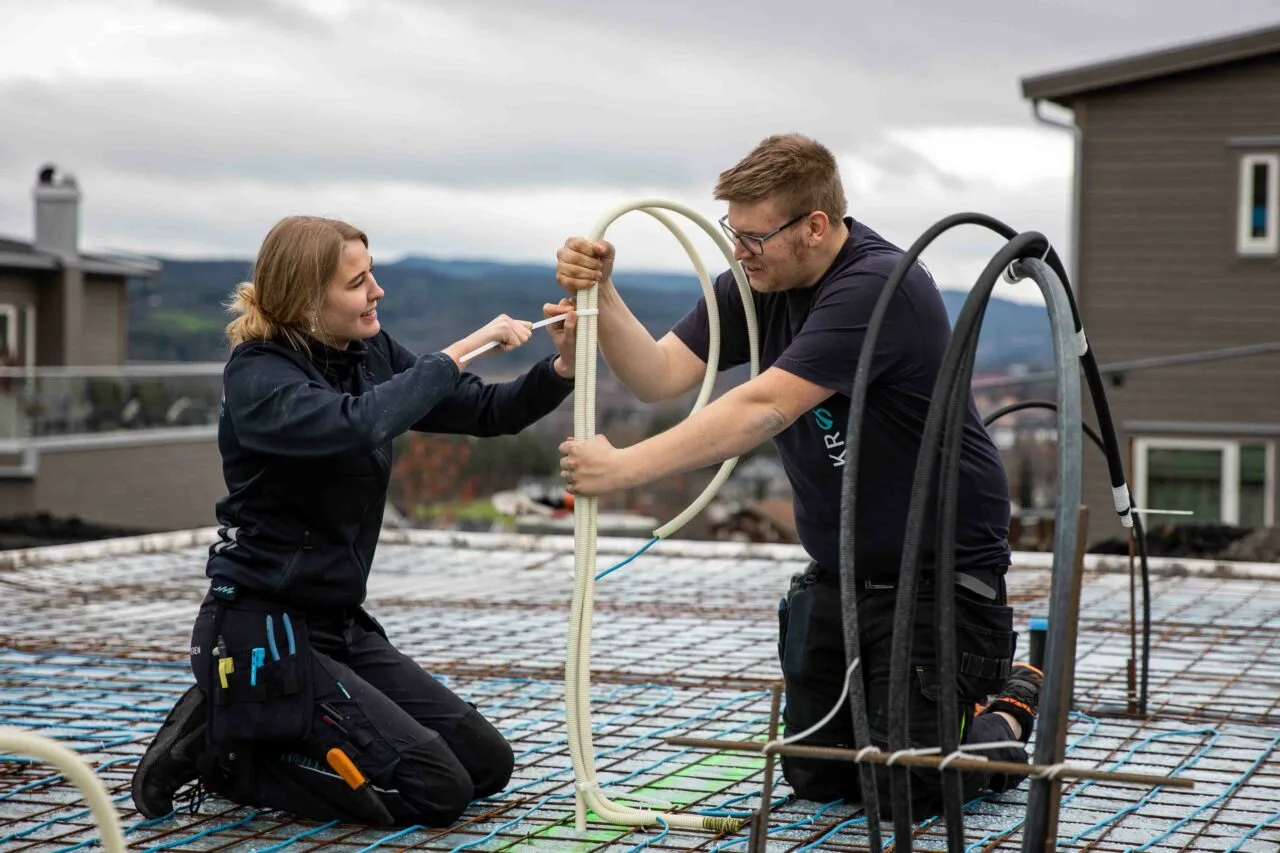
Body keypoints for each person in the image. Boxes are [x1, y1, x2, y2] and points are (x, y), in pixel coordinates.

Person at [552, 134, 1043, 818]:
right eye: (733, 233)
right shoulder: (759, 283)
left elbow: (765, 406)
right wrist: (602, 293)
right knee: (817, 777)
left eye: (754, 237)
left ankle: (1012, 706)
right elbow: (658, 374)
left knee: (911, 789)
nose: (738, 252)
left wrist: (624, 467)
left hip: (939, 575)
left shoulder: (878, 287)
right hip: (844, 571)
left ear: (815, 226)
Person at [131, 215, 578, 827]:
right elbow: (354, 426)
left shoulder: (366, 354)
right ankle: (224, 753)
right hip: (263, 626)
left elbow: (484, 409)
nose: (377, 292)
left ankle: (246, 716)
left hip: (337, 623)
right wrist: (457, 351)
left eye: (372, 274)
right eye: (358, 281)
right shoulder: (260, 376)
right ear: (307, 298)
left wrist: (562, 371)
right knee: (434, 792)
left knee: (485, 766)